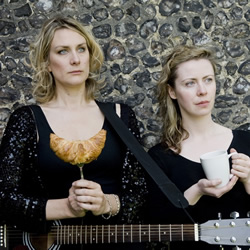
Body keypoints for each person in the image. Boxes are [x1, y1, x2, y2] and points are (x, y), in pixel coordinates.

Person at [0, 16, 147, 250]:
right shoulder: (27, 120)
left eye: (81, 49)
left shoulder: (121, 116)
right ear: (47, 63)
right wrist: (66, 207)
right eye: (62, 51)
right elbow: (5, 198)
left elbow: (141, 195)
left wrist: (105, 204)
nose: (75, 59)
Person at [145, 45, 250, 250]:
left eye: (208, 80)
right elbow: (157, 227)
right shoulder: (160, 157)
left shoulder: (246, 142)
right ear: (172, 91)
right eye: (190, 83)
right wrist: (196, 191)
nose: (202, 91)